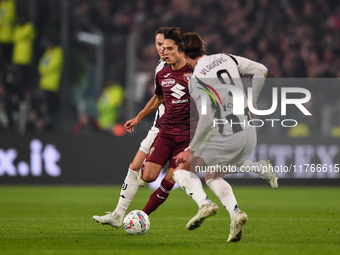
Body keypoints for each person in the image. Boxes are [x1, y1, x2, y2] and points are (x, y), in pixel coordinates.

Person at [173, 32, 278, 242]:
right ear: (203, 48)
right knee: (214, 173)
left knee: (180, 170)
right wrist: (253, 100)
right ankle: (238, 210)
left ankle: (205, 204)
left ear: (184, 54)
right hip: (248, 132)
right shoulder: (226, 58)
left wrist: (190, 149)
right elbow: (261, 70)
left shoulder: (196, 80)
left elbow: (207, 118)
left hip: (226, 134)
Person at [92, 27, 187, 228]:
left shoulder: (187, 68)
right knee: (136, 168)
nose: (162, 49)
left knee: (142, 172)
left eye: (165, 45)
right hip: (158, 127)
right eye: (158, 44)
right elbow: (158, 98)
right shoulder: (160, 70)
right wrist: (138, 118)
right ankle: (118, 215)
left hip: (172, 129)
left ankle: (122, 213)